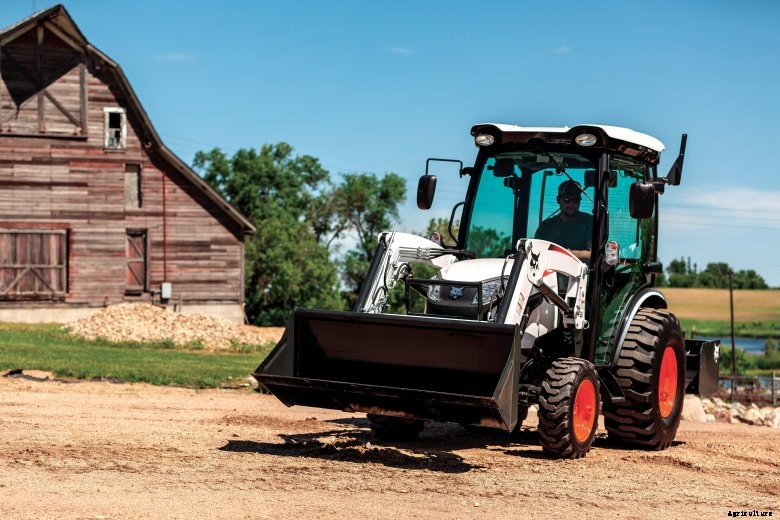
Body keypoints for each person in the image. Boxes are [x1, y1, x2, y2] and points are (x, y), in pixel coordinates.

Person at [534, 180, 593, 261]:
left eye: (576, 200)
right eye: (567, 200)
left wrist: (568, 253)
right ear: (558, 200)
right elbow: (535, 252)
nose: (571, 205)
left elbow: (593, 254)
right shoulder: (546, 226)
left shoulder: (589, 222)